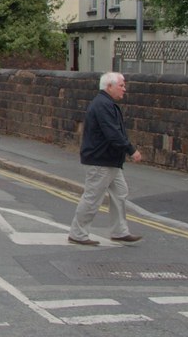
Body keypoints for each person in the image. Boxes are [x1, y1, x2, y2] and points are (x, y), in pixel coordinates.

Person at [68, 72, 143, 246]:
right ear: (109, 86)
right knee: (93, 197)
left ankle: (119, 231)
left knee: (120, 193)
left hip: (110, 160)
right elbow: (112, 133)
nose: (124, 89)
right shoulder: (103, 105)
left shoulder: (107, 103)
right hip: (100, 160)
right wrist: (131, 150)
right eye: (121, 85)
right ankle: (77, 233)